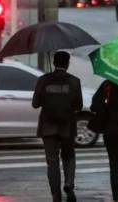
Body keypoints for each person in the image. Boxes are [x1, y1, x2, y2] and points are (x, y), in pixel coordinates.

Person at [32, 51, 83, 202]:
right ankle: (69, 183)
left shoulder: (43, 80)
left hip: (48, 127)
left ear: (54, 63)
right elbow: (79, 106)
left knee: (52, 162)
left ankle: (56, 196)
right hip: (67, 126)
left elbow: (35, 104)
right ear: (67, 64)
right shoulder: (74, 81)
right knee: (69, 156)